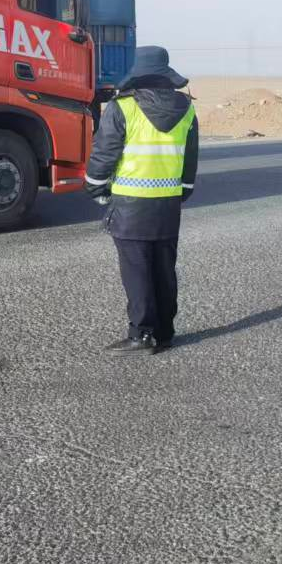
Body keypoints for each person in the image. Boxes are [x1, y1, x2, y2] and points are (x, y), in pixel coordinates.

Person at [85, 45, 199, 352]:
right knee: (164, 269)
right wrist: (183, 191)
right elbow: (190, 160)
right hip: (168, 205)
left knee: (137, 272)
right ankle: (165, 331)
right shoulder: (187, 109)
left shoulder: (123, 107)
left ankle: (141, 334)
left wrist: (96, 187)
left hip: (130, 206)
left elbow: (104, 154)